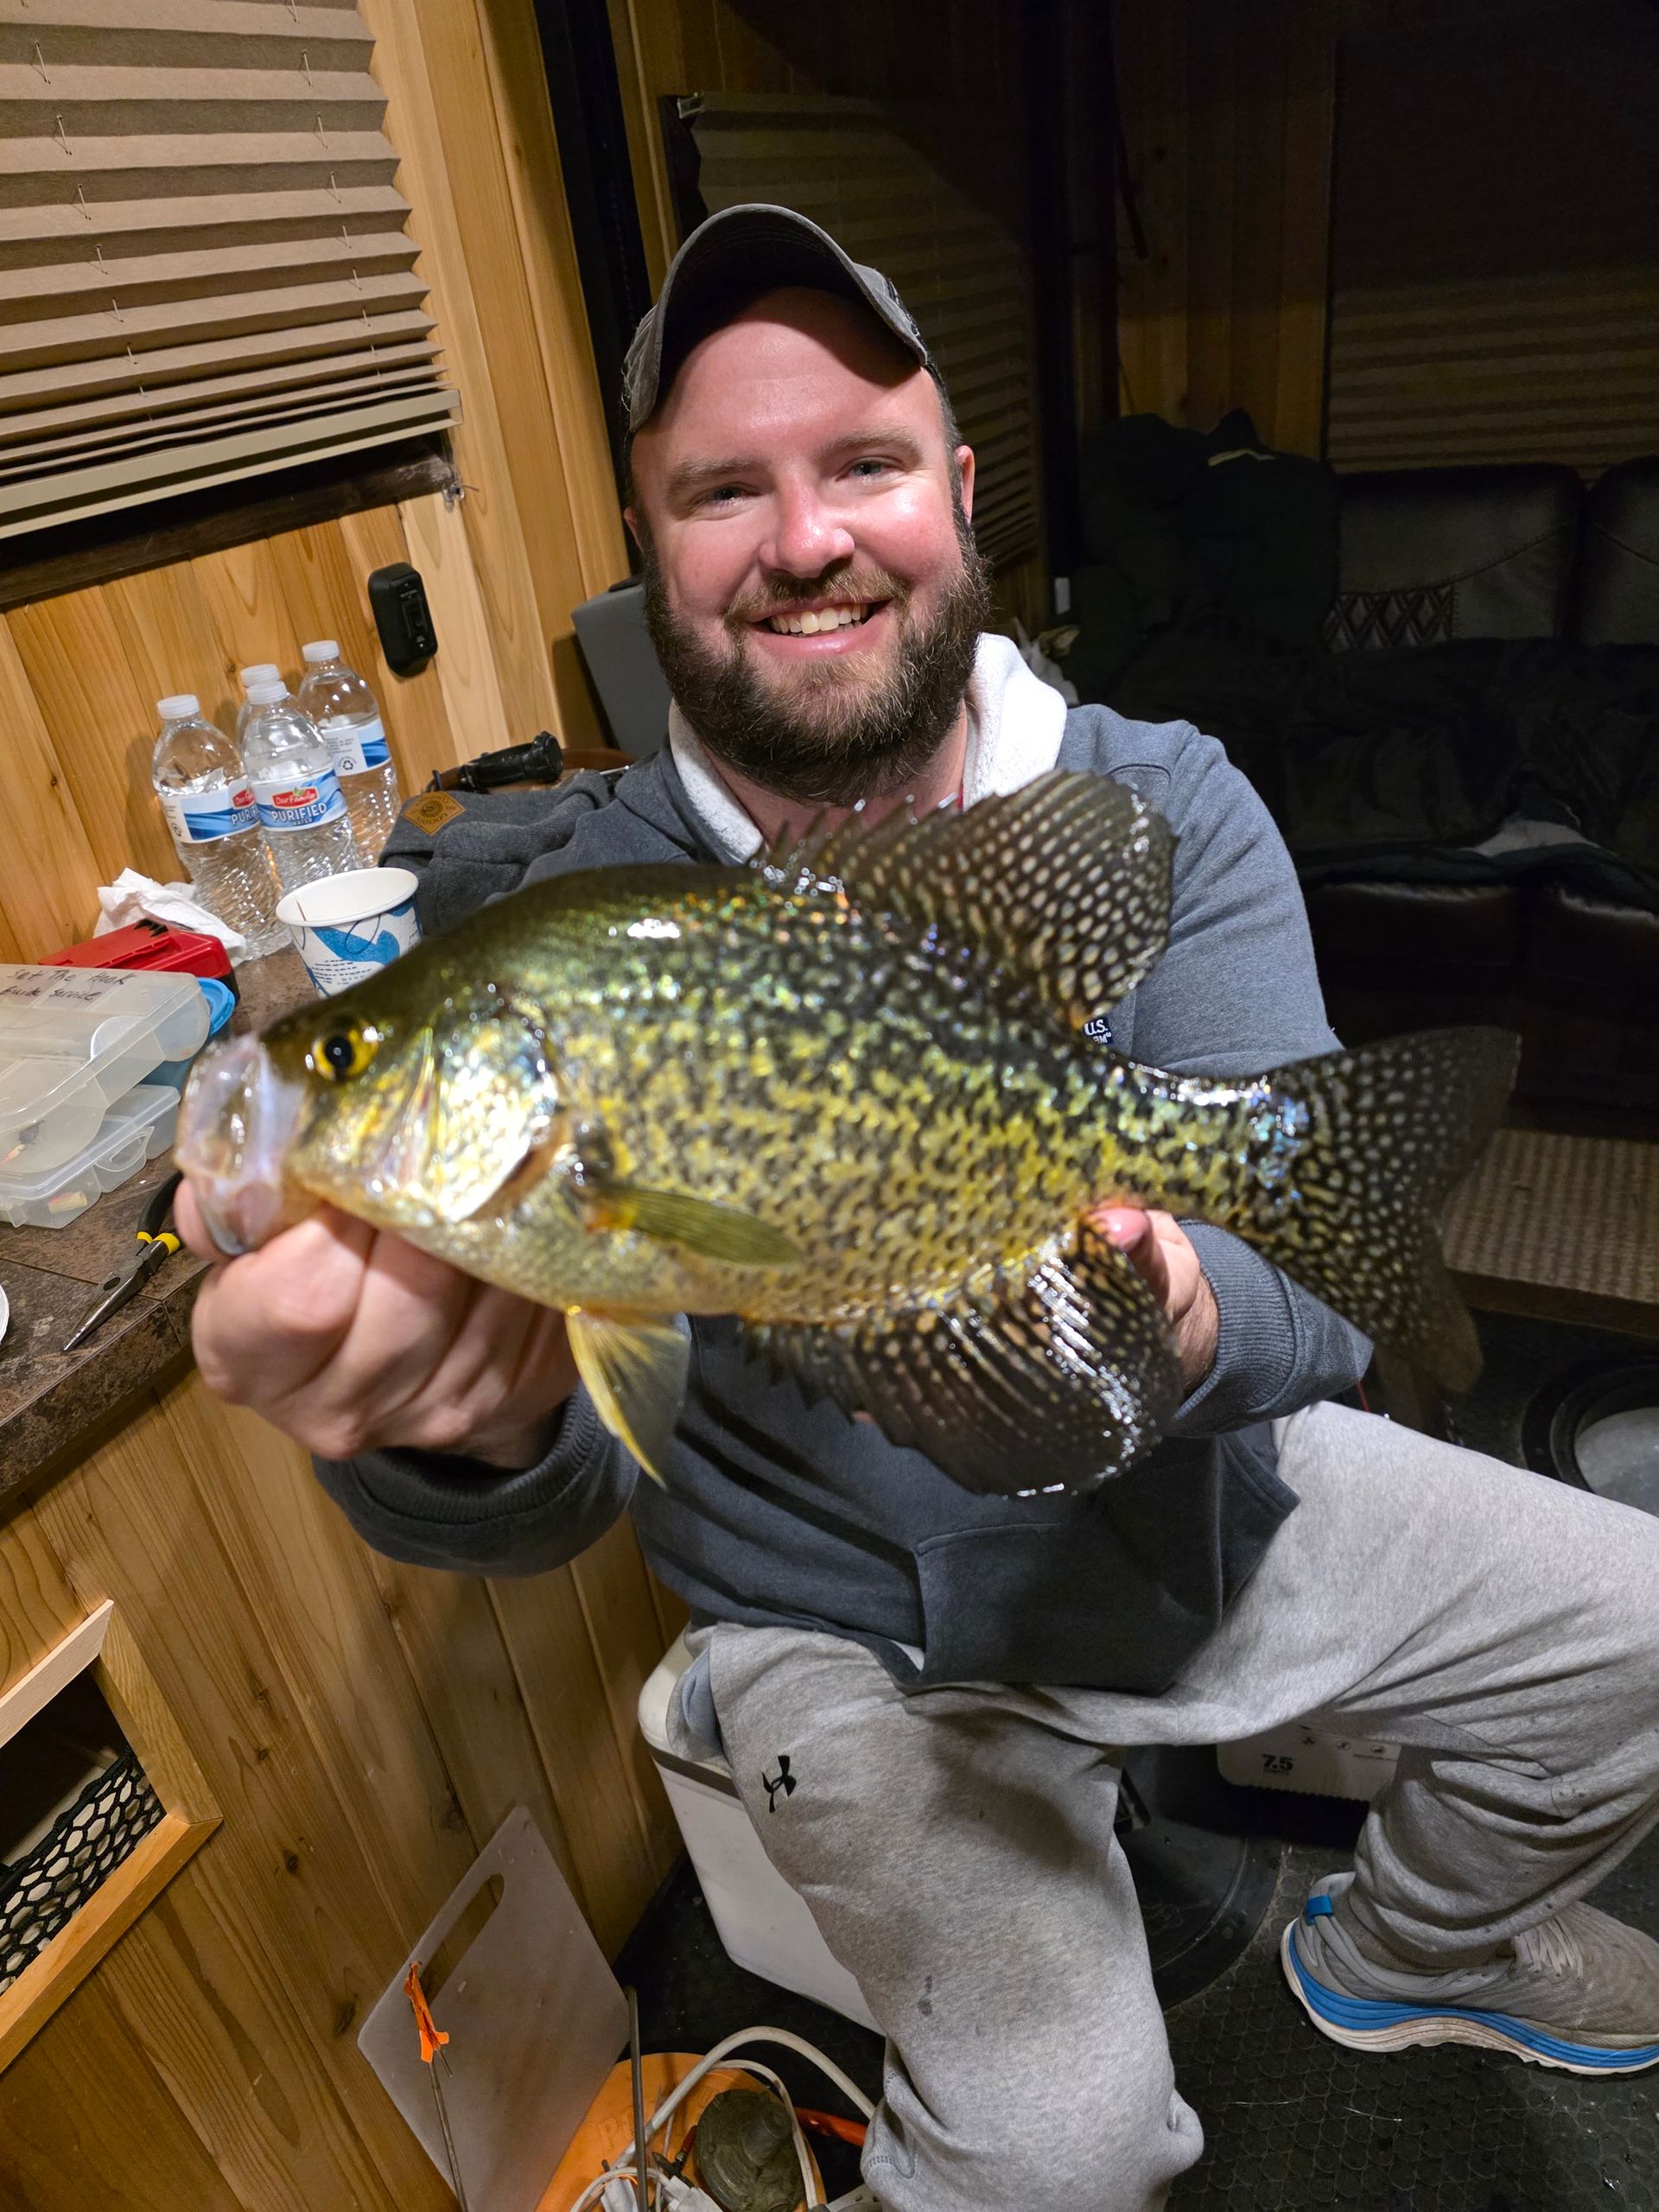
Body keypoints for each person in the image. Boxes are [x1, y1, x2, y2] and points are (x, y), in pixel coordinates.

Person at [180, 206, 1659, 2211]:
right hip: (842, 1630)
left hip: (1193, 1520)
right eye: (723, 487)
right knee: (1057, 2156)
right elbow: (545, 1489)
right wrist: (472, 1422)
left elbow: (1305, 1302)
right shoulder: (532, 923)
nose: (804, 536)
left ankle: (1406, 1958)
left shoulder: (1160, 796)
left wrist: (1201, 1305)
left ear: (957, 495)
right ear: (651, 542)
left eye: (862, 461)